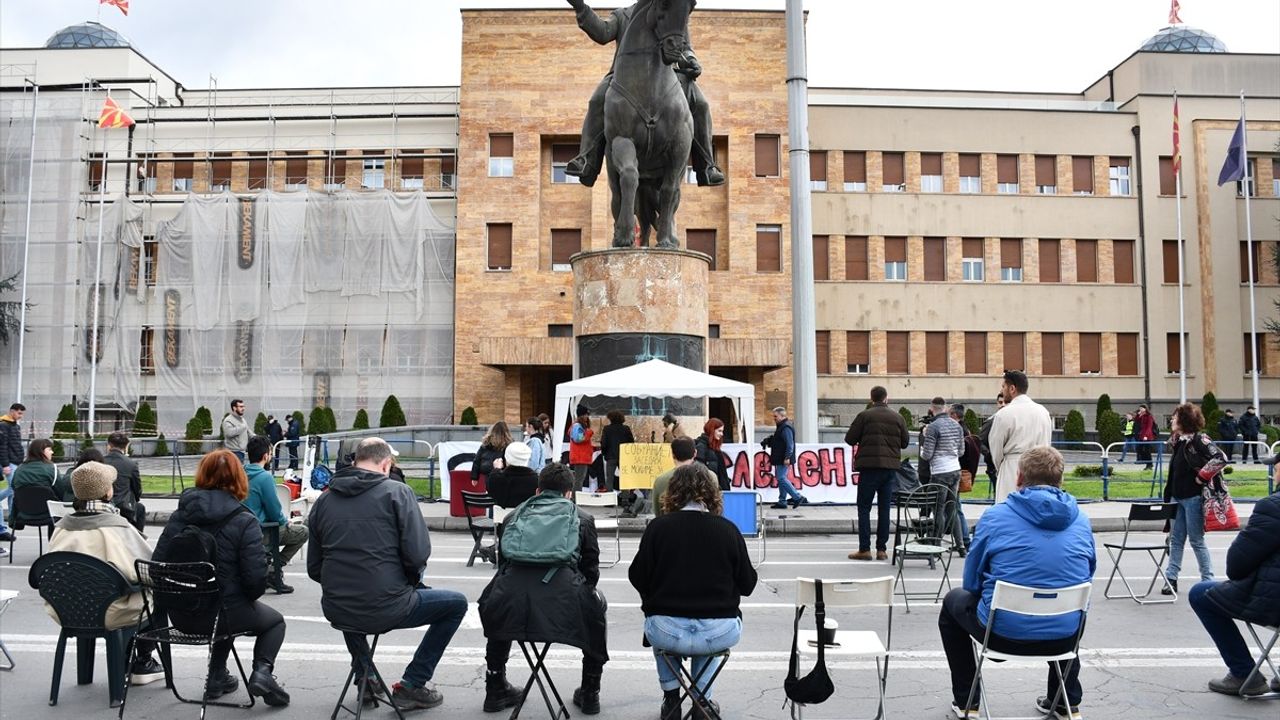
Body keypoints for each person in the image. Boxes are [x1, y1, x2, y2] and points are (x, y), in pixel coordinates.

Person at [308, 438, 467, 710]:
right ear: (385, 464)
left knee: (349, 595)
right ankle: (413, 683)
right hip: (386, 606)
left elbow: (314, 568)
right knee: (456, 604)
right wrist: (409, 582)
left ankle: (366, 676)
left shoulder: (323, 501)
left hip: (337, 608)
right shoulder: (397, 492)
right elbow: (418, 555)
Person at [938, 447, 1094, 720]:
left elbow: (971, 582)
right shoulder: (1081, 520)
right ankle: (1065, 701)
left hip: (1001, 632)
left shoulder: (996, 516)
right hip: (1063, 636)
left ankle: (967, 701)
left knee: (953, 602)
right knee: (1075, 606)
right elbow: (1088, 573)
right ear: (1061, 479)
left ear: (1019, 477)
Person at [153, 450, 290, 707]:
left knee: (225, 604)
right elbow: (255, 582)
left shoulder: (180, 515)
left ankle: (217, 677)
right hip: (222, 615)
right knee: (274, 623)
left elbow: (156, 566)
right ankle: (262, 673)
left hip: (180, 614)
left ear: (202, 475)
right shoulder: (244, 520)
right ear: (239, 479)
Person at [629, 464, 758, 719]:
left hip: (666, 630)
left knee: (656, 621)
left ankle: (671, 699)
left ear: (672, 492)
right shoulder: (728, 530)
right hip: (718, 631)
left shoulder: (658, 528)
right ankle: (702, 701)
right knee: (709, 635)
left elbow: (637, 576)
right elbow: (748, 585)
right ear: (712, 493)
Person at [479, 463, 608, 714]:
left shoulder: (512, 516)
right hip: (563, 605)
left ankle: (494, 686)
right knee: (598, 606)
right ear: (569, 493)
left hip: (511, 604)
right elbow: (591, 571)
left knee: (496, 597)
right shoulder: (583, 518)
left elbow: (503, 565)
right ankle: (590, 691)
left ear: (538, 490)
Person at [564, 0, 724, 188]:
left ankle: (706, 165)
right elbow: (603, 32)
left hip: (666, 76)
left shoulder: (673, 8)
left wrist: (691, 59)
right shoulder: (623, 15)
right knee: (597, 100)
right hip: (625, 78)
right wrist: (580, 7)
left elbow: (685, 45)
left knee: (701, 104)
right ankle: (587, 158)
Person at [46, 461, 166, 686]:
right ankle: (142, 661)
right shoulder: (117, 527)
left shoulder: (61, 527)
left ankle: (94, 671)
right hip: (112, 611)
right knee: (157, 596)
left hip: (68, 611)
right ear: (107, 492)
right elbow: (146, 569)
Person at [1189, 487, 1280, 696]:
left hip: (1274, 604)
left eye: (1275, 468)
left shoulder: (1273, 506)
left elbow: (1237, 566)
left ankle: (1244, 673)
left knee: (1200, 594)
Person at [1161, 402, 1223, 595]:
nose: (1172, 419)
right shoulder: (1178, 440)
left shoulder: (1199, 439)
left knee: (1196, 540)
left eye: (1175, 417)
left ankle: (1208, 580)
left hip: (1193, 497)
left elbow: (1220, 458)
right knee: (1176, 539)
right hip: (1176, 496)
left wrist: (1201, 476)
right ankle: (1171, 578)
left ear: (1185, 420)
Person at [845, 386, 909, 561]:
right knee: (884, 508)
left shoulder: (864, 416)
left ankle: (864, 549)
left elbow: (849, 439)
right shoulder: (898, 417)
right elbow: (905, 443)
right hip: (889, 469)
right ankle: (882, 549)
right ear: (886, 398)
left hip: (869, 467)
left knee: (864, 508)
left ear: (871, 398)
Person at [243, 435, 304, 595]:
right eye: (271, 453)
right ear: (266, 456)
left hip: (243, 530)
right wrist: (286, 521)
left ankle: (269, 564)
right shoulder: (264, 477)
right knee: (303, 532)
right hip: (262, 531)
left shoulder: (240, 474)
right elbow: (274, 511)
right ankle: (273, 569)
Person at [987, 371, 1053, 503]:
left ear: (1012, 388)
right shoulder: (1043, 411)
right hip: (1040, 468)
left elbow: (996, 447)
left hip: (1012, 467)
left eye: (1003, 387)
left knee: (1010, 510)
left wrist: (1002, 467)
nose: (1002, 390)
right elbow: (1048, 444)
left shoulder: (1004, 414)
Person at [921, 398, 968, 553]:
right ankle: (961, 545)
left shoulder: (933, 427)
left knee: (938, 509)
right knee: (952, 508)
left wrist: (923, 442)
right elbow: (961, 451)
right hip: (955, 470)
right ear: (945, 408)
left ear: (932, 408)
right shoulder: (957, 426)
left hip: (940, 472)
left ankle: (937, 544)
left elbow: (927, 455)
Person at [103, 432, 146, 534]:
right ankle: (138, 539)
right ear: (126, 446)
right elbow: (137, 489)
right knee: (140, 508)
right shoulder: (131, 464)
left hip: (104, 505)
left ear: (108, 445)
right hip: (124, 508)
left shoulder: (100, 461)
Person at [766, 406, 807, 509]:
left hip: (783, 458)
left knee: (781, 478)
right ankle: (782, 501)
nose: (774, 418)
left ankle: (797, 497)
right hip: (781, 457)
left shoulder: (785, 427)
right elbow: (780, 441)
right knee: (781, 479)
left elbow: (790, 444)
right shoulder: (782, 426)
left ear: (782, 416)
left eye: (775, 416)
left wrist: (787, 457)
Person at [652, 437, 698, 518]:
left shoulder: (661, 480)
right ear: (695, 453)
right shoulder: (711, 477)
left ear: (673, 454)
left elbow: (658, 512)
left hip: (670, 526)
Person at [486, 441, 539, 510]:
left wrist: (496, 469)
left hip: (504, 519)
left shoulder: (497, 478)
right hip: (528, 519)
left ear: (506, 459)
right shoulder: (537, 480)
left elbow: (491, 492)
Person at [0, 403, 24, 546]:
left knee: (13, 491)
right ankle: (13, 519)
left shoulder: (15, 426)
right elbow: (2, 447)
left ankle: (11, 521)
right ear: (12, 411)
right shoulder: (3, 425)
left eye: (22, 414)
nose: (20, 416)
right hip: (9, 463)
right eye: (19, 413)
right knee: (13, 488)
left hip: (16, 461)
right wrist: (5, 465)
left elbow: (17, 445)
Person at [600, 410, 635, 493]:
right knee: (624, 478)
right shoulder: (626, 429)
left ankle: (610, 499)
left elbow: (604, 443)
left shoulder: (607, 429)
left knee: (610, 478)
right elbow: (631, 442)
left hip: (610, 456)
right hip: (624, 456)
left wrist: (604, 453)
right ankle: (625, 499)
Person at [694, 419, 732, 492]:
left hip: (715, 491)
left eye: (722, 431)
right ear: (711, 430)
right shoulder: (701, 447)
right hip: (708, 491)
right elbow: (699, 470)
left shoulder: (714, 448)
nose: (722, 434)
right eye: (719, 431)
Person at [978, 394, 1005, 496]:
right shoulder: (991, 421)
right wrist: (990, 455)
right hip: (994, 467)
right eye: (1000, 402)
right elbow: (980, 441)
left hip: (1009, 465)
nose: (1003, 405)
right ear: (997, 404)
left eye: (1005, 402)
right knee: (999, 495)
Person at [472, 421, 512, 485]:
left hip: (487, 473)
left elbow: (477, 461)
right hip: (502, 475)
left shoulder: (486, 444)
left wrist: (474, 477)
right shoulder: (508, 445)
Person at [570, 407, 596, 491]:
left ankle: (576, 497)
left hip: (581, 456)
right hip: (580, 457)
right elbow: (578, 439)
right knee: (579, 480)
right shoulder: (578, 426)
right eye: (585, 414)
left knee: (579, 479)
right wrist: (588, 433)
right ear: (581, 415)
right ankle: (575, 498)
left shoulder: (578, 426)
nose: (587, 416)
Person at [222, 399, 250, 464]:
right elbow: (229, 433)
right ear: (234, 408)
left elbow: (248, 432)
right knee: (233, 473)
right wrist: (242, 426)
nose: (243, 408)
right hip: (233, 453)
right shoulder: (228, 420)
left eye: (243, 406)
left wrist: (261, 439)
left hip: (241, 452)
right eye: (241, 407)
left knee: (237, 473)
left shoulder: (243, 420)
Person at [1134, 405, 1157, 470]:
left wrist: (1146, 436)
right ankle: (1146, 461)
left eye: (1141, 408)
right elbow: (1136, 421)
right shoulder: (1141, 416)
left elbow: (1149, 427)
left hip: (1147, 435)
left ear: (1145, 409)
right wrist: (1138, 415)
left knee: (1147, 450)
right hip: (1142, 434)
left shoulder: (1149, 416)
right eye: (1140, 408)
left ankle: (1149, 464)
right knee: (1139, 448)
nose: (1140, 409)